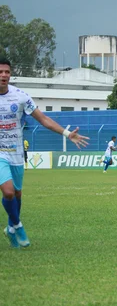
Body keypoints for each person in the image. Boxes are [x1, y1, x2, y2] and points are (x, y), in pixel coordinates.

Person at [0, 57, 89, 248]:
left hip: (15, 152)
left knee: (17, 195)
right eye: (0, 72)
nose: (4, 75)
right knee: (8, 192)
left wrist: (67, 133)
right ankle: (18, 225)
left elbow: (43, 119)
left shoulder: (21, 96)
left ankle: (10, 228)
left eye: (7, 72)